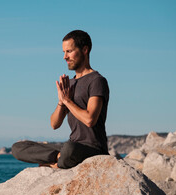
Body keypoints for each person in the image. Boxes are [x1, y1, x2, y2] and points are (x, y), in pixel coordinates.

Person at [12, 30, 110, 169]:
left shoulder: (97, 81)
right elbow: (54, 124)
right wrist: (61, 102)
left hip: (92, 149)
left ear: (85, 50)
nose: (65, 57)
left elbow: (90, 120)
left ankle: (56, 162)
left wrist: (68, 101)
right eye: (64, 52)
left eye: (69, 51)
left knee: (69, 149)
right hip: (71, 145)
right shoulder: (69, 84)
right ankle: (58, 159)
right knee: (18, 147)